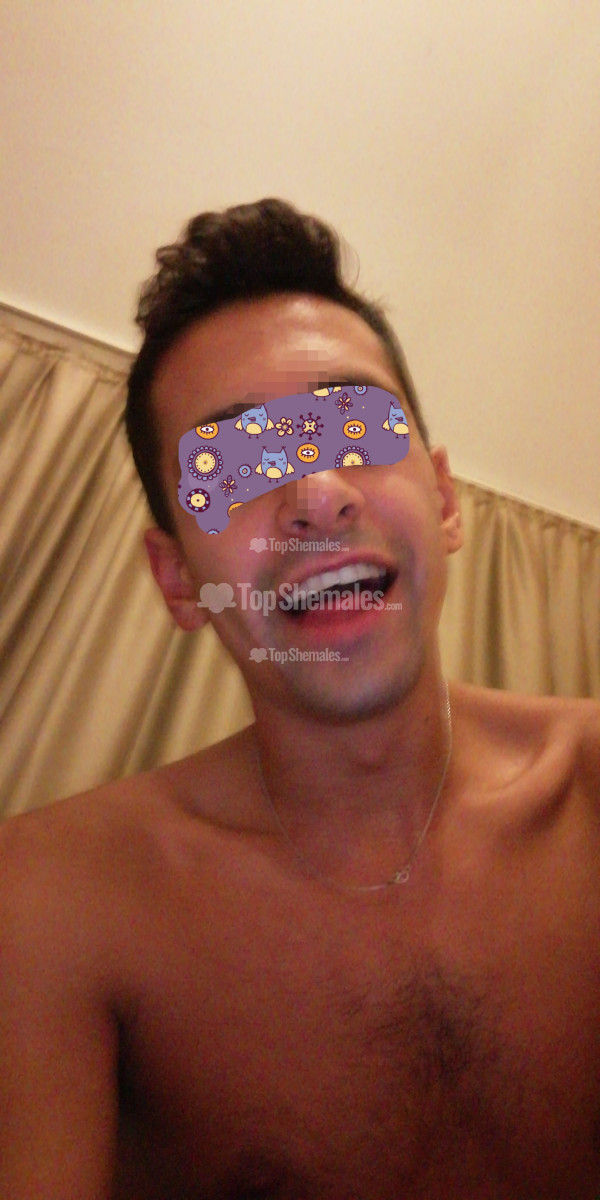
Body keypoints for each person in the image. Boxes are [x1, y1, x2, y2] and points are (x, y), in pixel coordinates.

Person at [1, 198, 598, 1199]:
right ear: (178, 581)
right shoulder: (49, 903)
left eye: (353, 426)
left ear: (446, 502)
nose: (317, 492)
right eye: (233, 465)